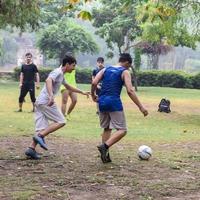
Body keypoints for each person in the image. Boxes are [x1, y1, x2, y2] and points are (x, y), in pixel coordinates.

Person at [25, 55, 90, 159]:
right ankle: (40, 136)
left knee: (41, 128)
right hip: (46, 101)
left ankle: (31, 149)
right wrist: (51, 96)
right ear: (67, 64)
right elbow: (48, 80)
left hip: (39, 102)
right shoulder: (58, 72)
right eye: (73, 65)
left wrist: (82, 92)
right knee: (61, 121)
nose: (74, 68)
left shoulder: (61, 74)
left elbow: (68, 86)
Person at [91, 53, 148, 163]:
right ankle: (105, 146)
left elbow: (94, 82)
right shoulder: (124, 71)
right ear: (127, 62)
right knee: (122, 130)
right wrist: (141, 107)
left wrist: (93, 95)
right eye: (129, 66)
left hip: (102, 102)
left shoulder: (105, 69)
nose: (128, 68)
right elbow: (130, 90)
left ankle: (105, 156)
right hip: (114, 102)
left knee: (107, 128)